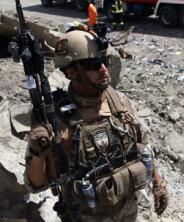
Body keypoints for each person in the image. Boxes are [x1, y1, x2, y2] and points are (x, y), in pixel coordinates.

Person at [24, 30, 169, 221]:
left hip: (128, 212)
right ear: (71, 72)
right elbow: (35, 184)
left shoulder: (119, 102)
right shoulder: (56, 121)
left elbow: (143, 146)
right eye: (93, 65)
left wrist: (158, 184)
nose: (103, 69)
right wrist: (38, 151)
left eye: (104, 61)